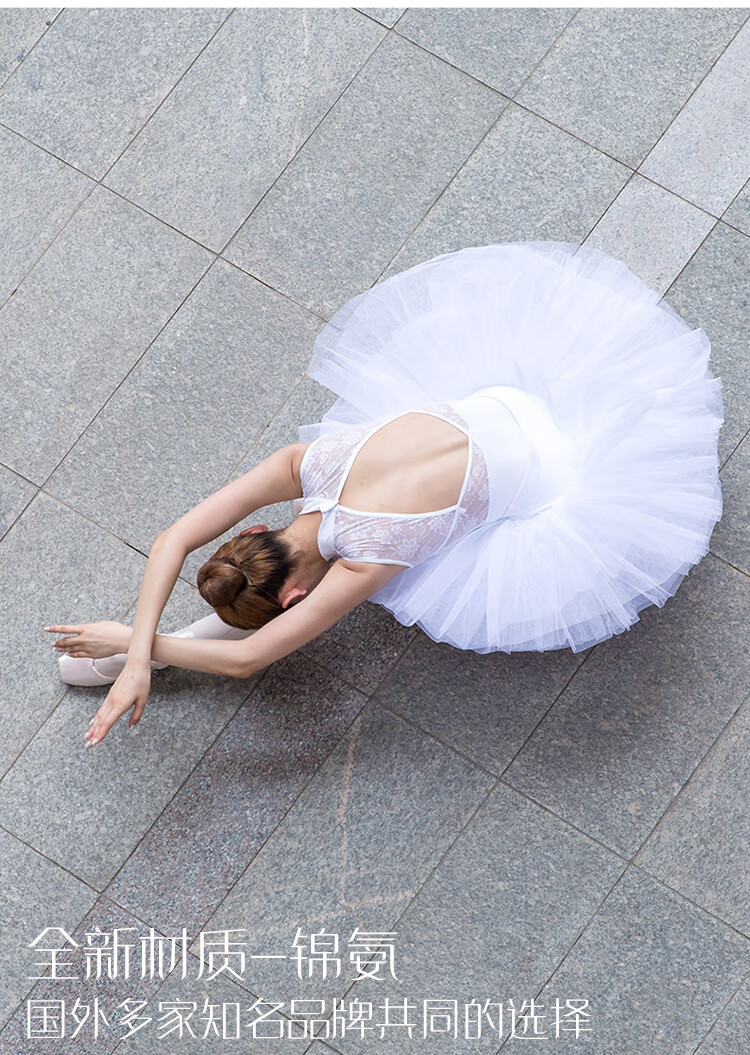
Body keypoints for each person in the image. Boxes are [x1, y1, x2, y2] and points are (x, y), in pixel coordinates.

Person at [46, 241, 724, 748]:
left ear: (294, 599)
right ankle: (147, 644)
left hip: (561, 475)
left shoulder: (372, 562)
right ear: (252, 533)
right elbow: (174, 540)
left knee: (432, 558)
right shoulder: (301, 464)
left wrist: (143, 652)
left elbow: (253, 657)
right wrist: (135, 649)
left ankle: (150, 646)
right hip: (510, 401)